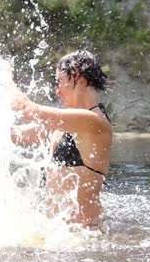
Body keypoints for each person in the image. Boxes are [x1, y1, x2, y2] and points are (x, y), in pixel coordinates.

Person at [7, 50, 112, 228]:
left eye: (59, 81)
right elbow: (18, 136)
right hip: (60, 234)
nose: (57, 91)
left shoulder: (94, 121)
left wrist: (4, 75)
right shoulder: (68, 124)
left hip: (85, 236)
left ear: (77, 76)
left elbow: (27, 109)